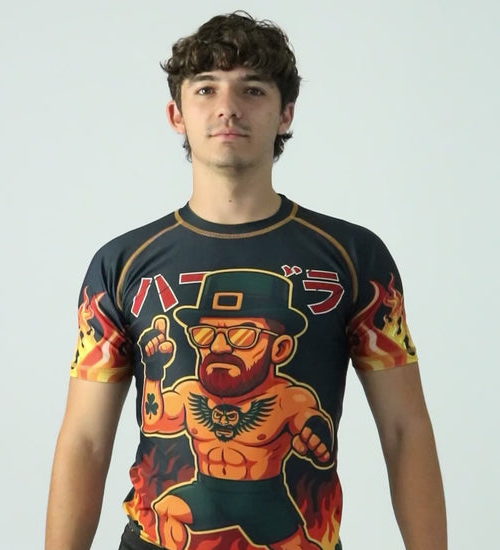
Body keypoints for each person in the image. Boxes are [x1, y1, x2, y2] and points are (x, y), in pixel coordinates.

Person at [45, 11, 447, 550]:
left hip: (283, 521)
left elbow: (404, 431)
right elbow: (86, 441)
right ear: (176, 114)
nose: (228, 107)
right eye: (206, 89)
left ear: (285, 114)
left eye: (252, 90)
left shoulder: (354, 259)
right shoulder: (121, 264)